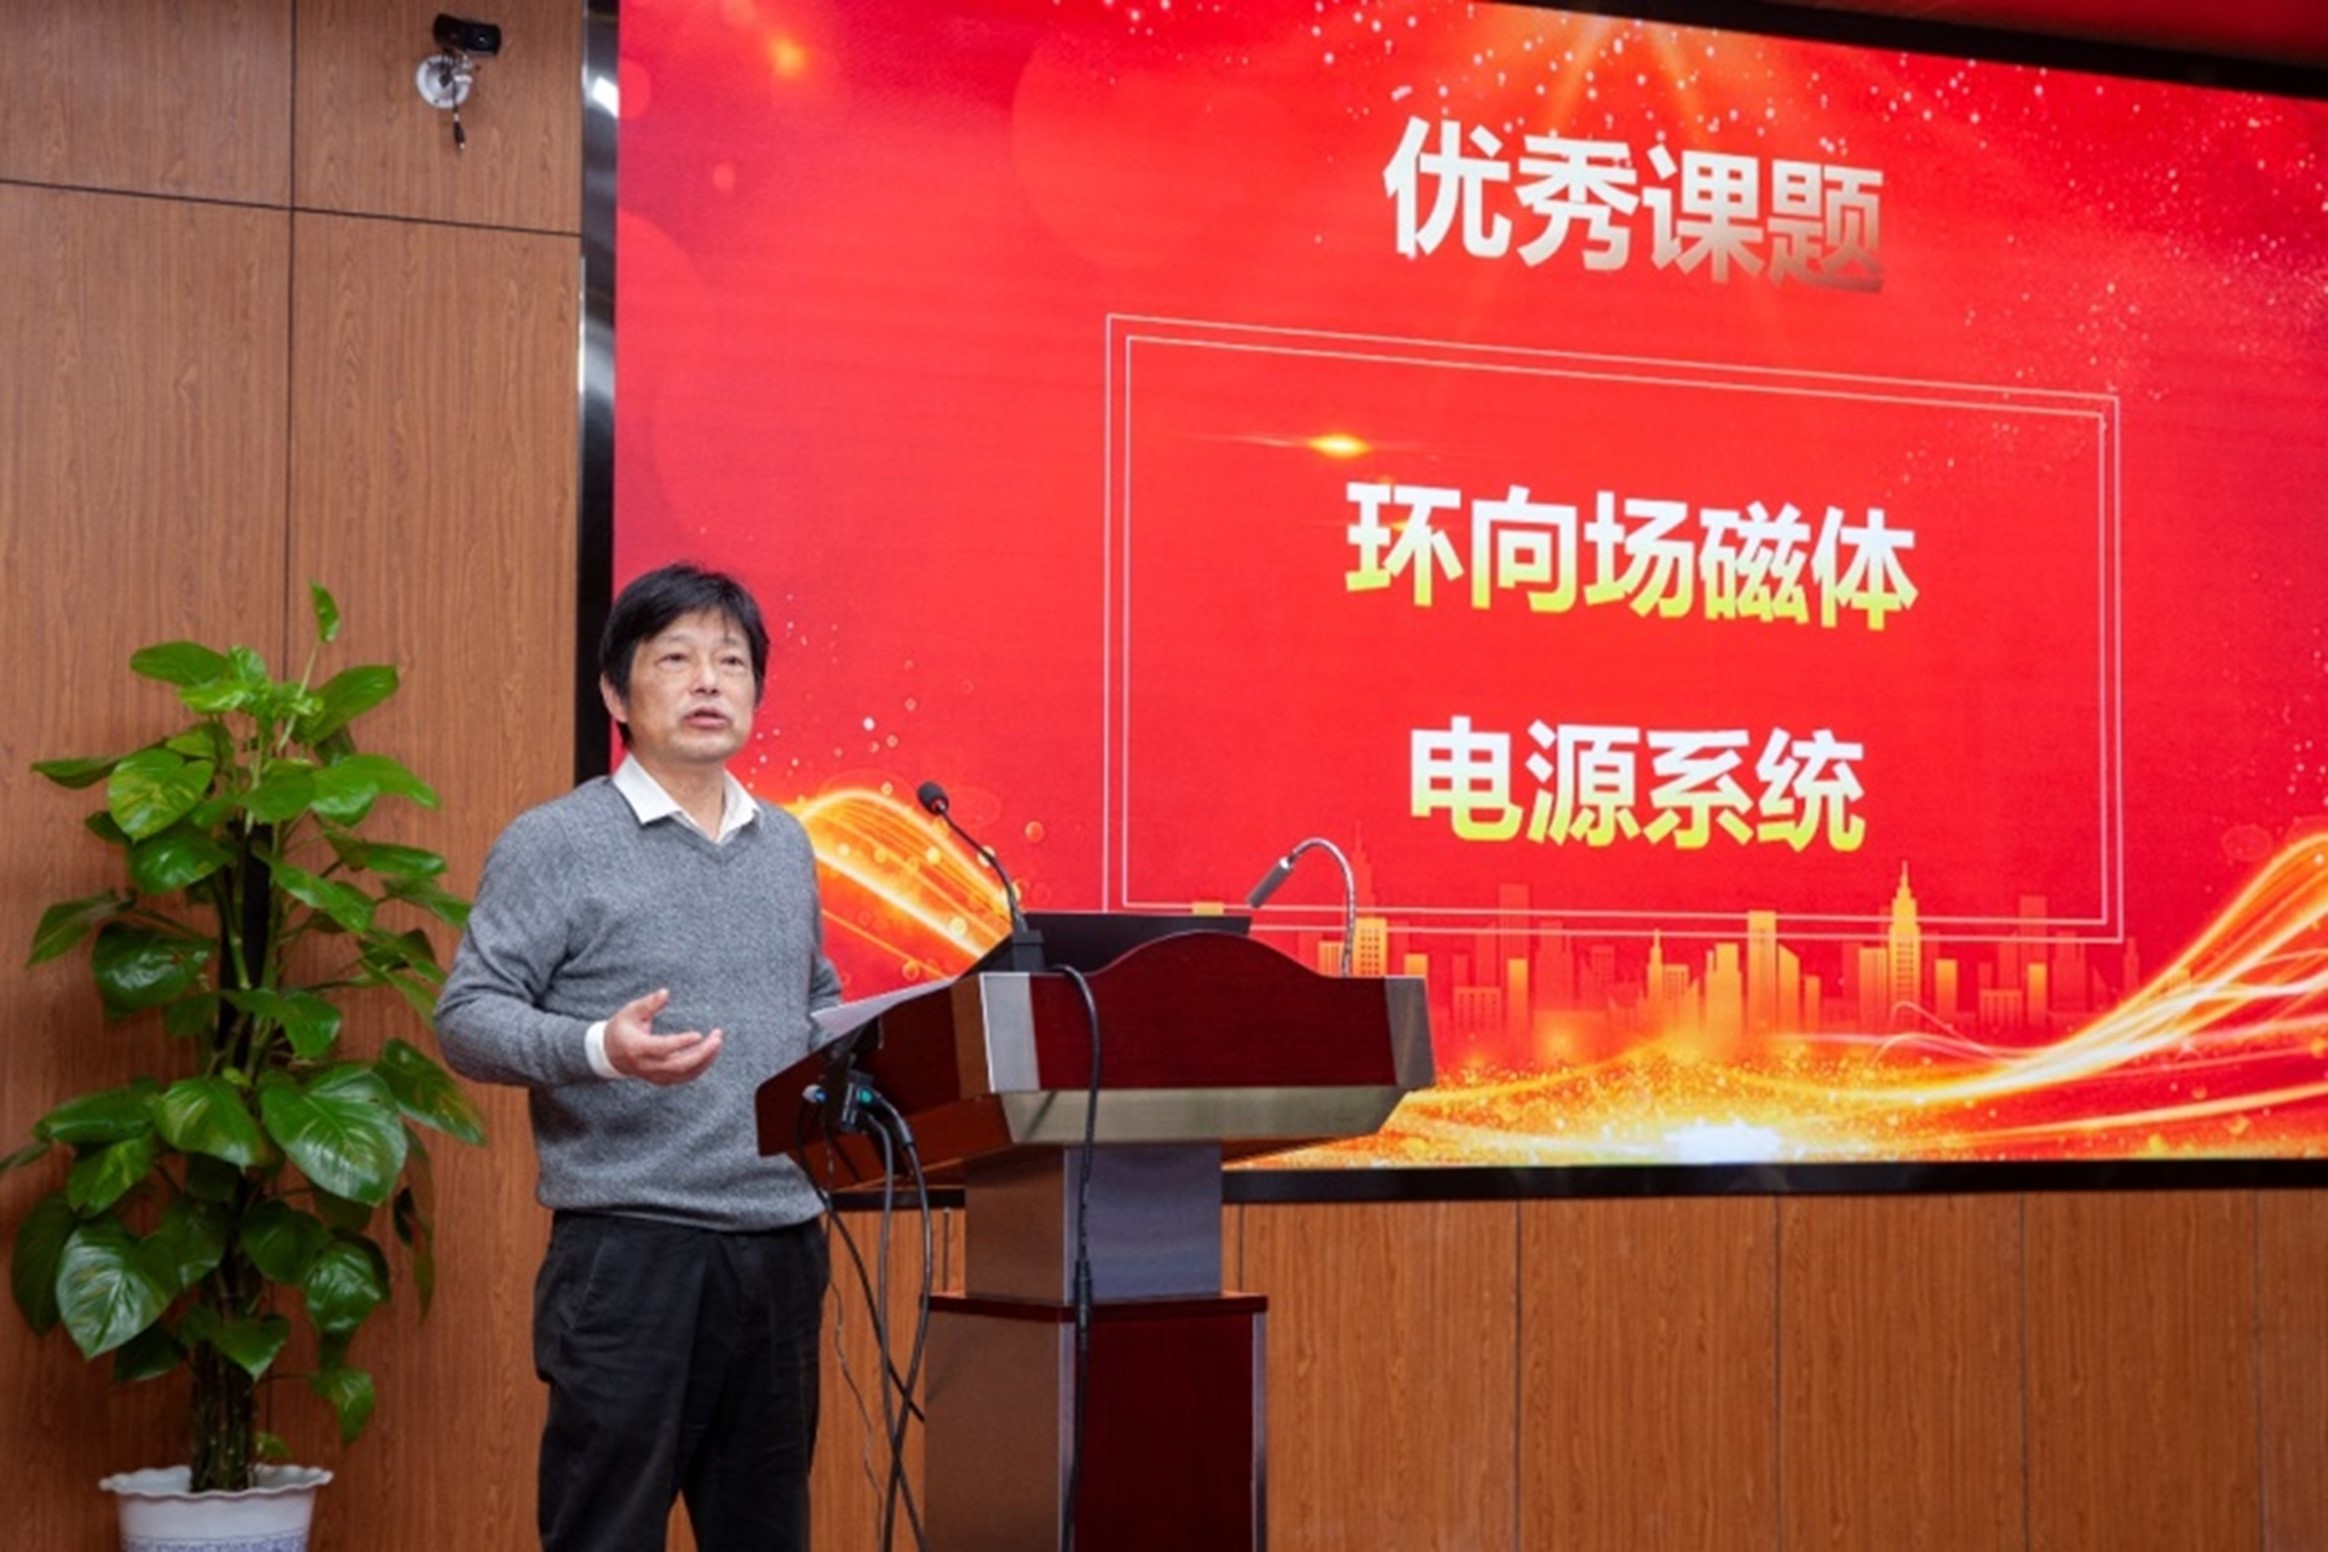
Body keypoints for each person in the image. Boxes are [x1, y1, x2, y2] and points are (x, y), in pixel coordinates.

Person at [436, 562, 841, 1552]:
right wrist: (598, 1049)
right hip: (630, 1254)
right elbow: (467, 1018)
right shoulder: (556, 842)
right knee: (606, 1533)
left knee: (768, 1534)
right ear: (616, 694)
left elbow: (814, 998)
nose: (709, 681)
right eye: (676, 659)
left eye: (731, 662)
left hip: (781, 1247)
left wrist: (858, 1038)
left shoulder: (786, 844)